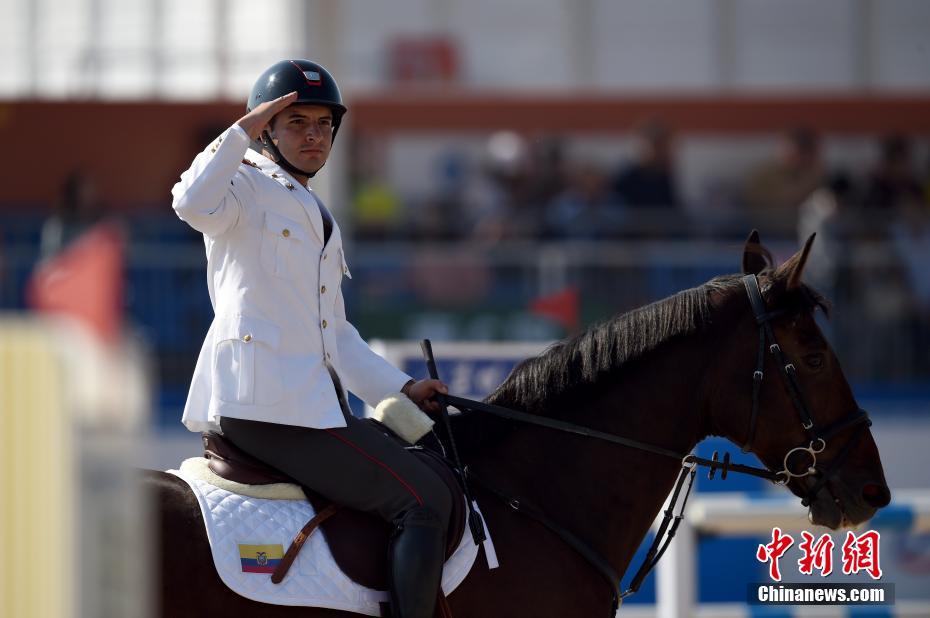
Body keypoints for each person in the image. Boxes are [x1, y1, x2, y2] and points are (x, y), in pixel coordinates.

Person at [171, 59, 451, 618]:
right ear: (267, 131)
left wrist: (400, 389)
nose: (314, 135)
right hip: (266, 407)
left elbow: (334, 334)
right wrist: (242, 130)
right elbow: (189, 202)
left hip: (309, 405)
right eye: (296, 122)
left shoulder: (312, 209)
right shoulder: (242, 186)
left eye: (324, 124)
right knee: (424, 500)